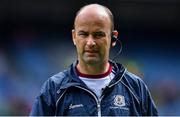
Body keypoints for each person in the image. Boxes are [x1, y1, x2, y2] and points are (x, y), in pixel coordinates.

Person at [30, 3, 158, 116]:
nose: (90, 42)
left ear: (113, 38)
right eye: (83, 34)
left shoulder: (135, 87)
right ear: (74, 37)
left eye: (99, 34)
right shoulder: (53, 89)